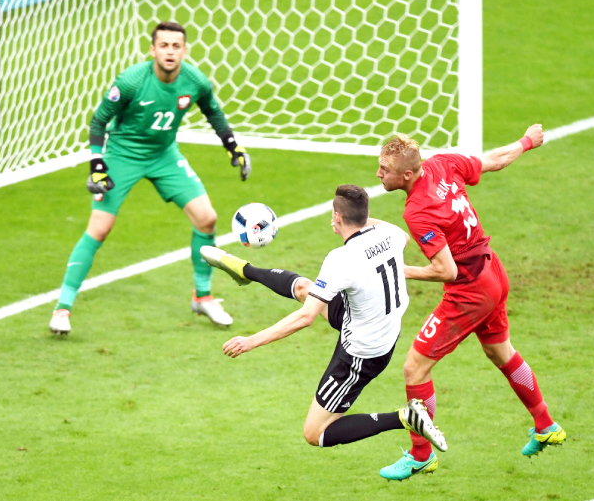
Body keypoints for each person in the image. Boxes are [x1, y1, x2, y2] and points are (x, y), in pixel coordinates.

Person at [202, 185, 447, 470]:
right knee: (307, 288)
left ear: (337, 218)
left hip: (361, 353)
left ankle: (404, 417)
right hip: (378, 322)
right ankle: (247, 271)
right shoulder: (390, 234)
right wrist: (362, 219)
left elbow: (306, 318)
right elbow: (402, 236)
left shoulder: (341, 259)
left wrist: (251, 341)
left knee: (315, 432)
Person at [375, 125, 566, 481]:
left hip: (470, 290)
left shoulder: (417, 211)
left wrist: (397, 270)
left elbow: (445, 271)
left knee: (414, 368)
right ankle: (545, 424)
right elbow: (493, 160)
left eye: (383, 169)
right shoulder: (443, 163)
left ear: (405, 175)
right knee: (500, 352)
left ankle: (421, 455)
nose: (378, 174)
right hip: (494, 271)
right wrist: (526, 142)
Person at [49, 21, 251, 334]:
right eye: (164, 45)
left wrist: (233, 147)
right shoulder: (131, 81)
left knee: (207, 218)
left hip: (164, 155)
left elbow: (213, 111)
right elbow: (99, 121)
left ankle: (203, 296)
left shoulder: (194, 80)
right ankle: (62, 309)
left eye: (176, 46)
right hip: (122, 156)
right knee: (100, 228)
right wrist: (97, 165)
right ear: (152, 49)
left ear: (185, 50)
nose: (170, 51)